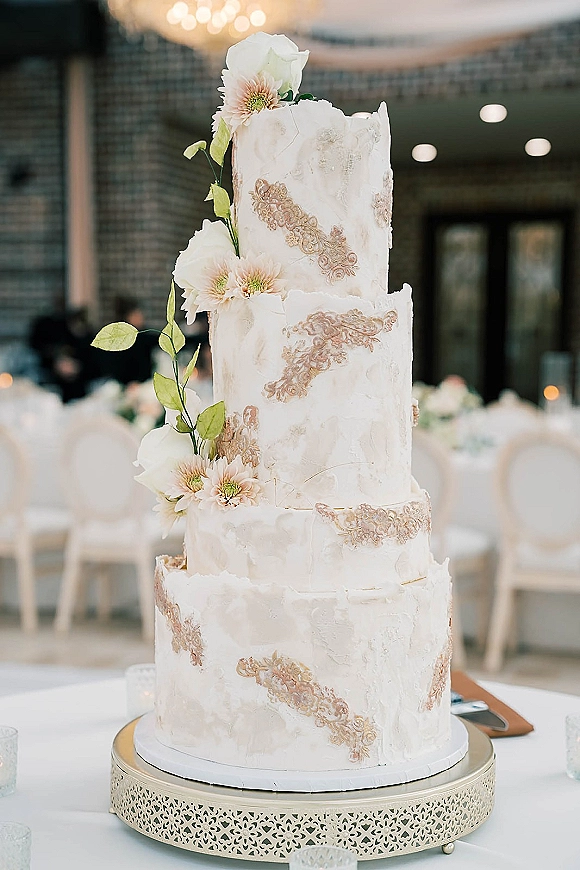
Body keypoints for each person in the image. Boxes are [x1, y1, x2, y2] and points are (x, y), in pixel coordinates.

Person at [98, 297, 157, 385]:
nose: (141, 318)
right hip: (128, 384)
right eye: (137, 315)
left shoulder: (143, 335)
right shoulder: (123, 338)